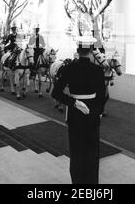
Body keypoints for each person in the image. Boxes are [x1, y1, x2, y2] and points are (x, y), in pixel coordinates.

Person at [52, 36, 107, 184]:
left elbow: (55, 93)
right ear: (90, 51)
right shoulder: (97, 70)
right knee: (92, 153)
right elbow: (103, 95)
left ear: (78, 50)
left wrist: (73, 102)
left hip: (75, 115)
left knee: (77, 152)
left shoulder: (69, 68)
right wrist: (98, 111)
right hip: (93, 115)